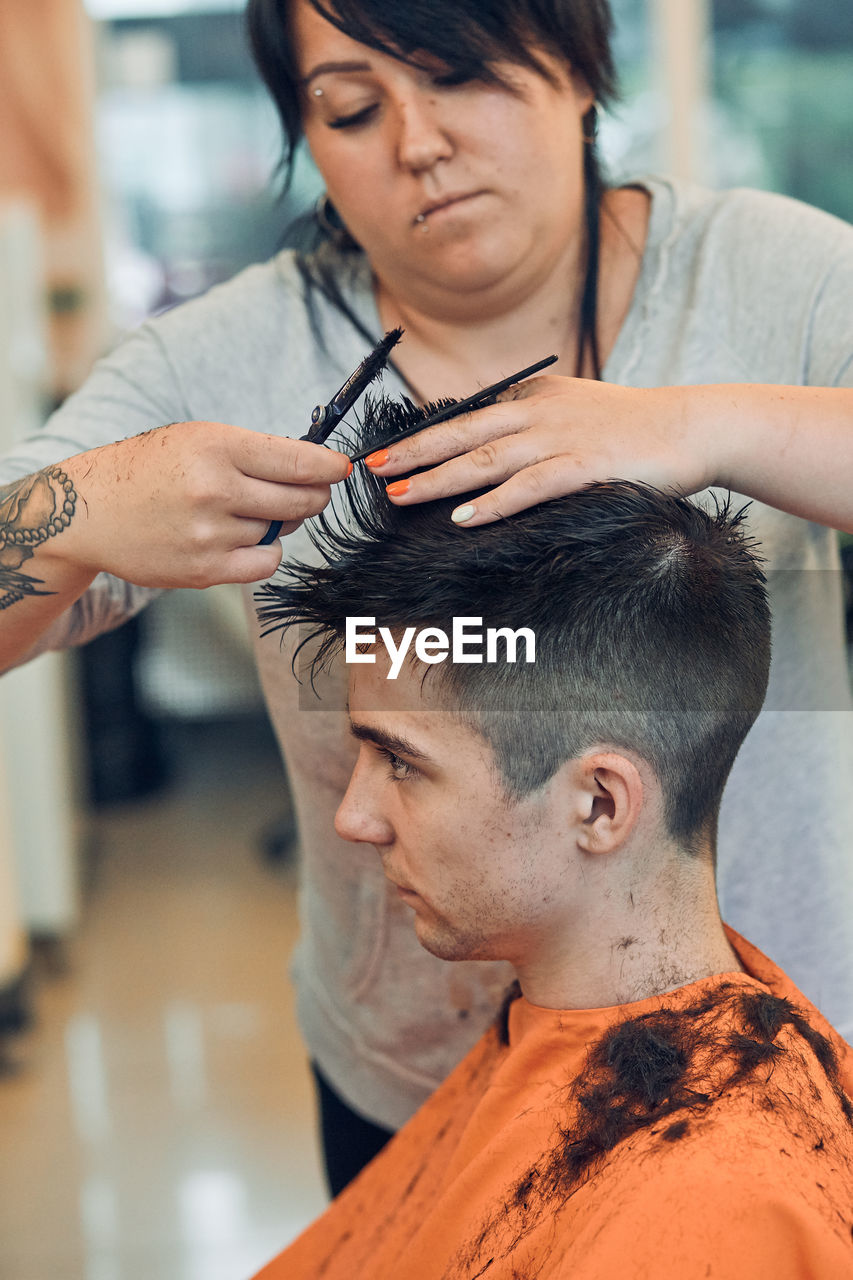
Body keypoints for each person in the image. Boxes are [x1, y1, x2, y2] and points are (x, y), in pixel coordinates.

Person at [1, 0, 852, 1192]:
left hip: (759, 1051)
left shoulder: (772, 276)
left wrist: (704, 422)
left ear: (577, 66)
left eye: (459, 75)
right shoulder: (218, 360)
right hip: (416, 1086)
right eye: (352, 107)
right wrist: (84, 505)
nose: (417, 141)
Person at [249, 454, 853, 1279]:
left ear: (599, 805)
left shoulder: (714, 1210)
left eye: (400, 762)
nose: (351, 819)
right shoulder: (547, 1034)